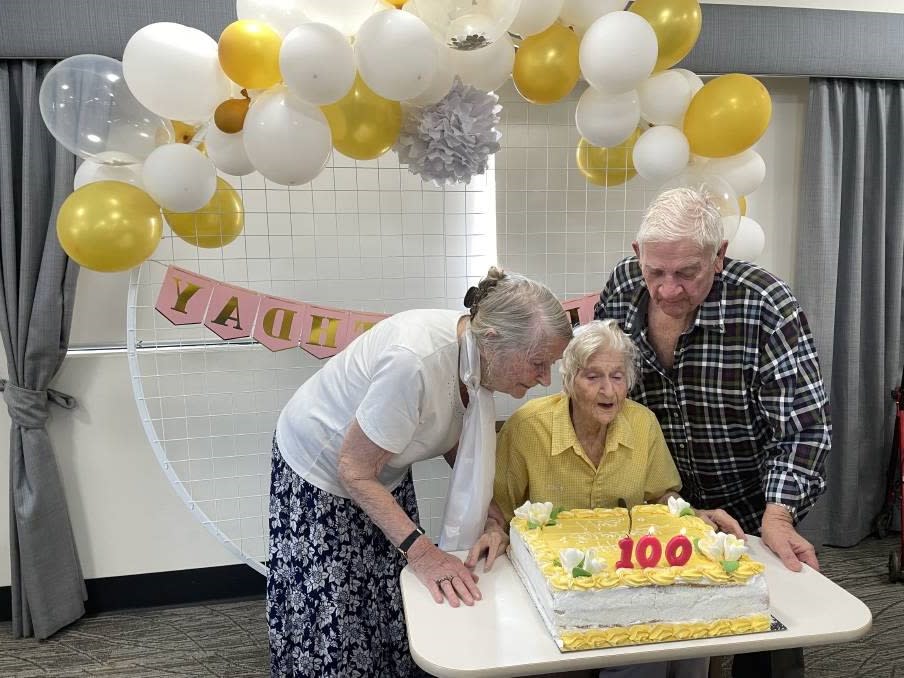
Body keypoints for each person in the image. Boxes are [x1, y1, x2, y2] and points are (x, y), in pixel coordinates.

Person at [267, 266, 573, 678]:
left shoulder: (477, 355)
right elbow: (354, 470)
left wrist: (492, 514)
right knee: (338, 609)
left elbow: (449, 432)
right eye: (538, 363)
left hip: (381, 466)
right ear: (496, 341)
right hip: (322, 470)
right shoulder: (414, 361)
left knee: (393, 598)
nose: (545, 379)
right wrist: (425, 553)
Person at [595, 187, 831, 678]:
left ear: (719, 255)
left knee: (768, 644)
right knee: (659, 638)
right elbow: (604, 389)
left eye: (687, 273)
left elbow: (803, 428)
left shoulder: (766, 303)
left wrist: (779, 516)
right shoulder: (621, 287)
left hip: (752, 509)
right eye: (655, 272)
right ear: (637, 255)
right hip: (663, 505)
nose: (667, 290)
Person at [484, 319, 741, 678]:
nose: (609, 390)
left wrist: (693, 516)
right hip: (553, 595)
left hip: (626, 588)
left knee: (674, 641)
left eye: (617, 376)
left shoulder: (643, 424)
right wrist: (494, 529)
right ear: (570, 381)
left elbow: (663, 497)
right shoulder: (528, 427)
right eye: (593, 377)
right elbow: (499, 510)